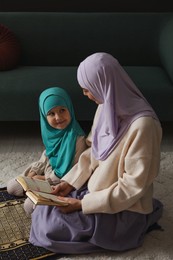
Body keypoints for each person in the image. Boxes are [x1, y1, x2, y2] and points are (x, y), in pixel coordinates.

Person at [29, 52, 163, 253]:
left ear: (104, 85)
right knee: (43, 209)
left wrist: (83, 204)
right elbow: (94, 151)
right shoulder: (105, 106)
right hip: (95, 189)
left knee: (51, 228)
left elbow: (132, 188)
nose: (85, 94)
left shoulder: (144, 127)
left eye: (87, 89)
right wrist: (70, 182)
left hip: (123, 207)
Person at [7, 86, 86, 214]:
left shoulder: (77, 138)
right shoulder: (51, 133)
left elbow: (72, 171)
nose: (58, 117)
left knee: (29, 207)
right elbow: (47, 155)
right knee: (12, 187)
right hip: (46, 174)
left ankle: (37, 199)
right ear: (44, 116)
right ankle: (32, 190)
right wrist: (34, 172)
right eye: (51, 113)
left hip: (62, 182)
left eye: (62, 110)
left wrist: (44, 179)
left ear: (70, 109)